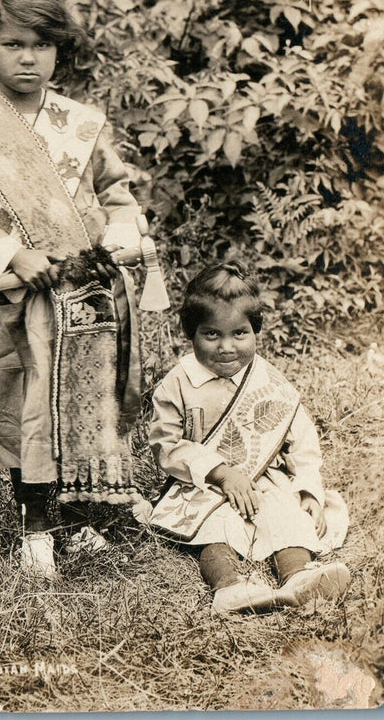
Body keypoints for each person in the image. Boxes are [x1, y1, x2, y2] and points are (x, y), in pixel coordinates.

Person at [0, 0, 145, 580]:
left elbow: (118, 196)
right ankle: (35, 532)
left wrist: (118, 239)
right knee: (26, 409)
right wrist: (11, 255)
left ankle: (79, 519)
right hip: (22, 303)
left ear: (61, 50)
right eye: (13, 44)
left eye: (42, 46)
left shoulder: (81, 123)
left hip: (87, 297)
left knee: (84, 405)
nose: (28, 58)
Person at [147, 262, 350, 614]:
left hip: (264, 479)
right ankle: (230, 588)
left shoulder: (267, 378)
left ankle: (299, 577)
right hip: (203, 484)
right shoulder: (178, 383)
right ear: (190, 334)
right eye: (211, 335)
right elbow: (166, 446)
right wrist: (221, 473)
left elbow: (301, 440)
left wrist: (307, 490)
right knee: (215, 527)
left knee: (285, 513)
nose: (227, 347)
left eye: (240, 333)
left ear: (255, 331)